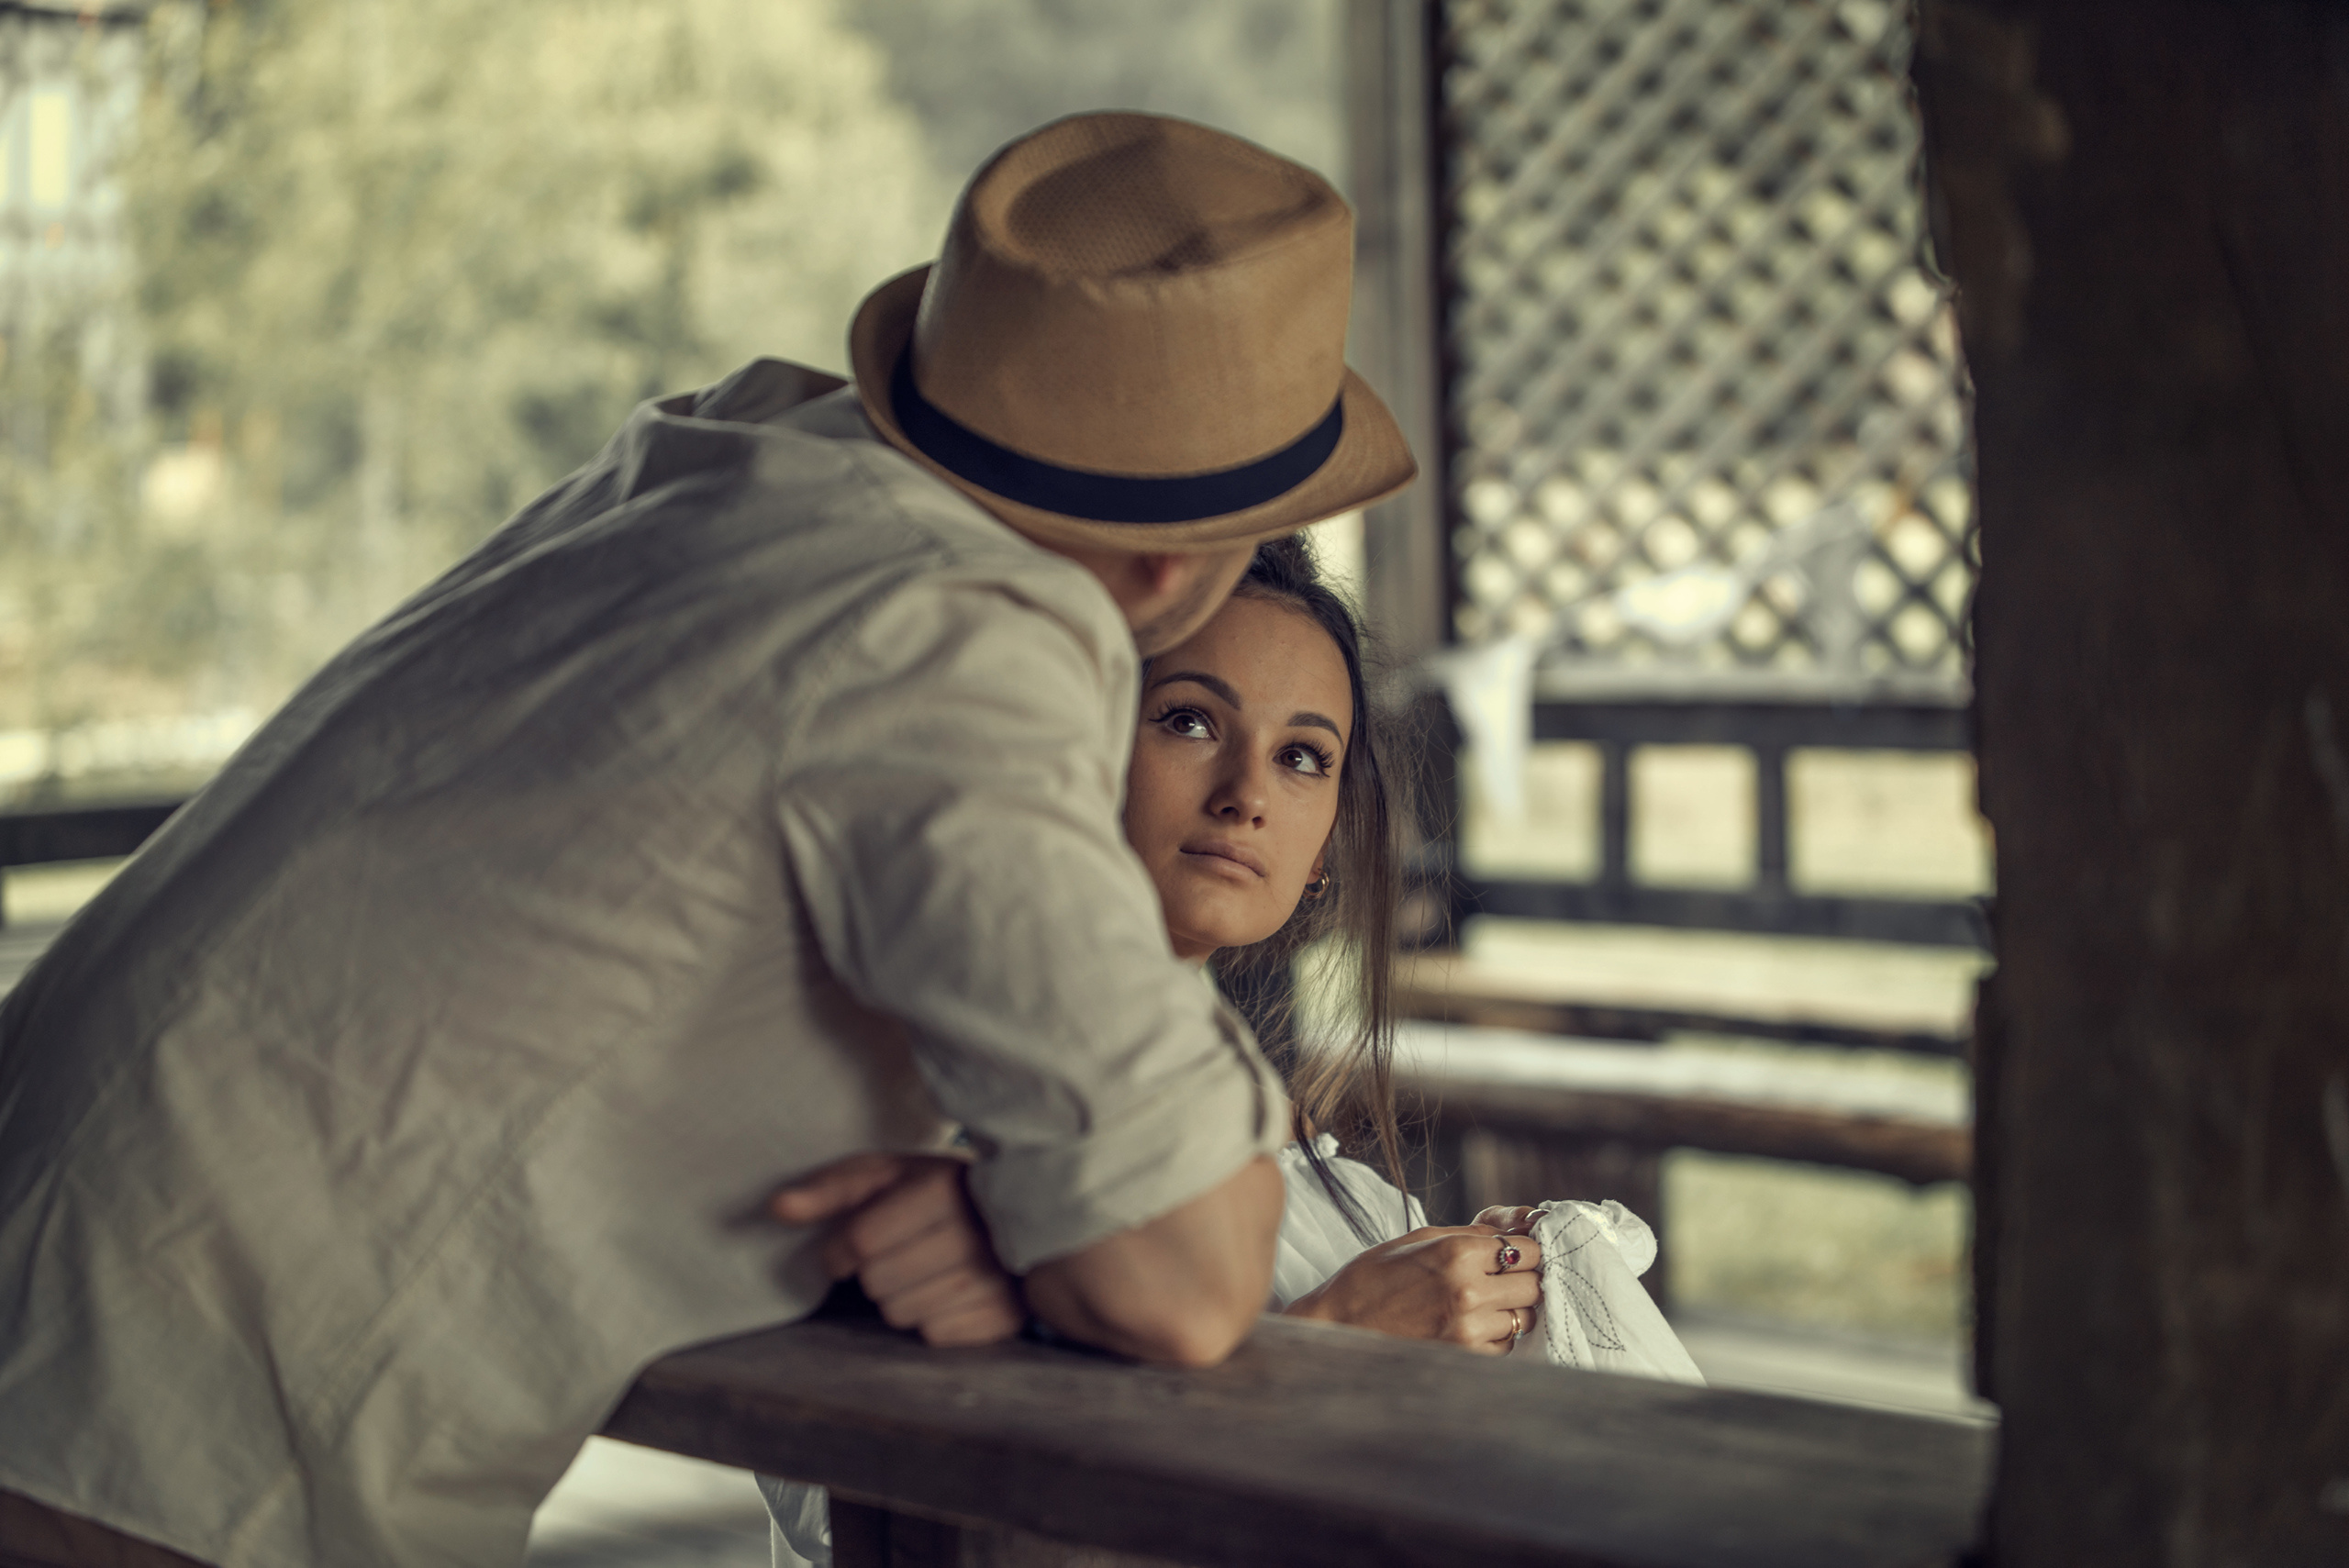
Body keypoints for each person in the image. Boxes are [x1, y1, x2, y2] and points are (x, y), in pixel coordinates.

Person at [0, 113, 1415, 1568]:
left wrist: (1010, 1203)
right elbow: (1184, 1273)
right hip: (158, 1432)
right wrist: (1038, 1214)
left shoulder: (726, 457)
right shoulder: (954, 646)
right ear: (1184, 561)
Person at [761, 536, 1557, 1566]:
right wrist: (1328, 1348)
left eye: (1301, 755)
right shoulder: (918, 1095)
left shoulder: (1312, 1173)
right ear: (1071, 751)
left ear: (1323, 853)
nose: (1246, 793)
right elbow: (855, 1515)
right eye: (1189, 720)